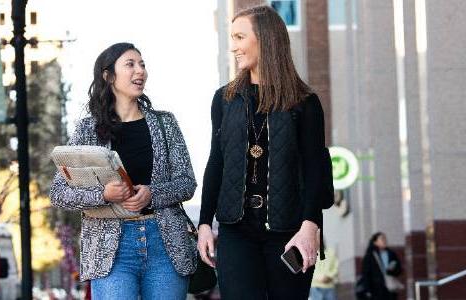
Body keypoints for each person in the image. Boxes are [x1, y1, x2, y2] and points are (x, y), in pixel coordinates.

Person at [197, 5, 328, 299]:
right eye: (232, 38)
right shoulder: (224, 99)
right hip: (235, 231)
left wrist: (310, 226)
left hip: (290, 230)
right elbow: (216, 162)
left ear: (265, 39)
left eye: (240, 37)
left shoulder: (305, 103)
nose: (234, 47)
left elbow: (315, 168)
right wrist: (205, 222)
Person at [49, 42, 197, 300]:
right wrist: (103, 194)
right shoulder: (87, 130)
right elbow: (59, 193)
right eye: (130, 64)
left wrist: (153, 194)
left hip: (165, 245)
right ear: (108, 76)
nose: (140, 70)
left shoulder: (165, 123)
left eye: (142, 64)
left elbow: (187, 183)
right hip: (110, 252)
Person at [359, 232, 403, 300]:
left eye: (385, 239)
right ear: (375, 242)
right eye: (382, 239)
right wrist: (368, 290)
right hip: (376, 290)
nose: (384, 241)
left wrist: (392, 270)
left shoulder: (391, 254)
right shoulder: (370, 256)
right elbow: (366, 274)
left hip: (390, 288)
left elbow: (399, 270)